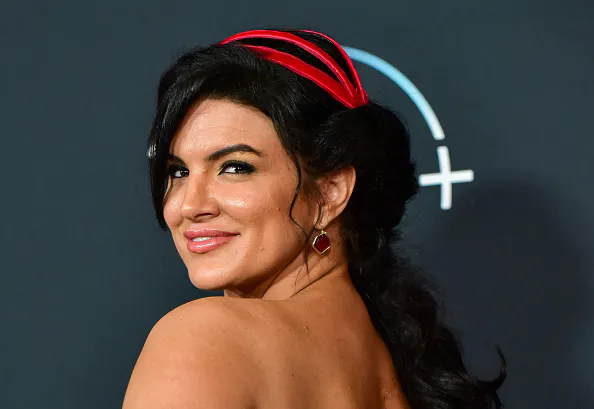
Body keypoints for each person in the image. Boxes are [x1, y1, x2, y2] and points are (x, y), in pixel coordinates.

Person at [122, 28, 506, 409]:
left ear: (330, 191)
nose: (189, 205)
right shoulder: (393, 363)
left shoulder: (205, 340)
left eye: (235, 167)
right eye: (178, 172)